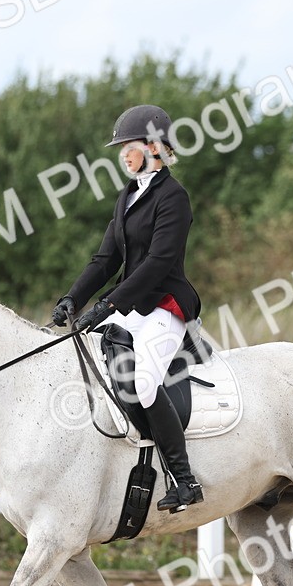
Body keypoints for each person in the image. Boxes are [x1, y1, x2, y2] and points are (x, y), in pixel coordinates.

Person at [51, 104, 205, 512]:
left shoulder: (174, 197)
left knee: (144, 384)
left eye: (128, 146)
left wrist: (108, 305)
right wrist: (73, 297)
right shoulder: (126, 196)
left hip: (163, 304)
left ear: (154, 147)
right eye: (120, 148)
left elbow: (157, 262)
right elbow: (105, 260)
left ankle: (184, 479)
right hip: (129, 304)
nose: (122, 154)